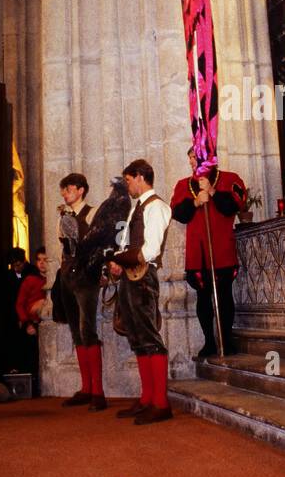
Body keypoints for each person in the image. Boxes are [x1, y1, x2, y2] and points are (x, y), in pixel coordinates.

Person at [108, 159, 173, 425]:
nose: (127, 186)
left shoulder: (156, 206)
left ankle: (161, 403)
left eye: (128, 180)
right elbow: (129, 244)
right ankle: (147, 398)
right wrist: (118, 262)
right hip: (131, 276)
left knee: (149, 337)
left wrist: (120, 259)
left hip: (144, 277)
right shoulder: (138, 207)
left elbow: (151, 250)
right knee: (137, 337)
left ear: (140, 177)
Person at [170, 148, 246, 359]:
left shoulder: (231, 179)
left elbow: (234, 206)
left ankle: (226, 339)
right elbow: (178, 214)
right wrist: (195, 202)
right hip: (198, 253)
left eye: (195, 158)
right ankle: (209, 342)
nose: (191, 162)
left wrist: (212, 192)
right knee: (203, 298)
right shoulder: (183, 185)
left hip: (221, 251)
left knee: (224, 296)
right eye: (190, 158)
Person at [54, 173, 104, 410]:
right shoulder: (63, 216)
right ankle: (85, 388)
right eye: (63, 190)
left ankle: (98, 392)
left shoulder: (93, 213)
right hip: (66, 275)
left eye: (69, 188)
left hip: (86, 277)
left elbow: (100, 245)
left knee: (88, 330)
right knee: (76, 331)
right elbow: (62, 246)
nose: (65, 193)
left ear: (81, 190)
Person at [13, 247, 48, 389]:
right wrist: (27, 324)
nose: (42, 263)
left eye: (45, 260)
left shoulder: (56, 279)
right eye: (39, 260)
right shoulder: (30, 280)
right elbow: (19, 305)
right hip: (32, 326)